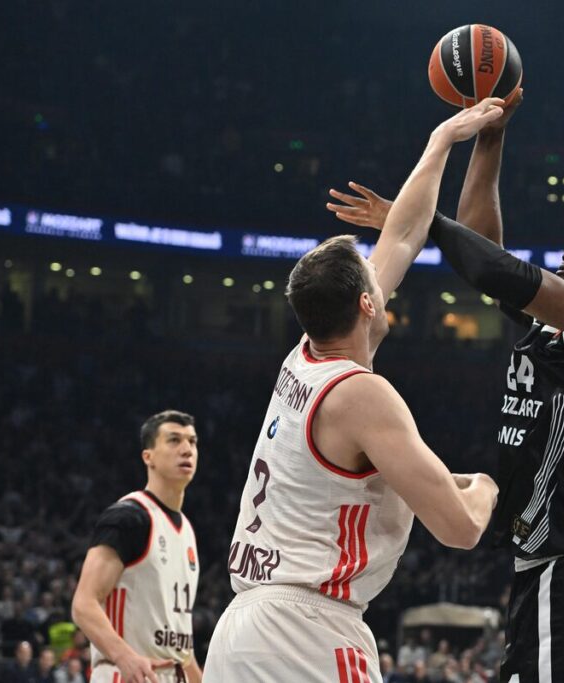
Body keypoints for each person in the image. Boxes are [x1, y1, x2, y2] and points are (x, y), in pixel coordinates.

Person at [327, 94, 564, 682]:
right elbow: (487, 251)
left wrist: (415, 215)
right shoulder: (554, 324)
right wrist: (492, 135)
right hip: (546, 567)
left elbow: (494, 269)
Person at [201, 99, 505, 683]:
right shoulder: (363, 394)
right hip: (307, 633)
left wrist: (443, 139)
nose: (380, 271)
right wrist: (486, 485)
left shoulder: (308, 353)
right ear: (367, 305)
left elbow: (405, 235)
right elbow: (461, 529)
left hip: (240, 631)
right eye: (373, 280)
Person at [71, 410, 202, 683]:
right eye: (174, 440)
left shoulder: (188, 530)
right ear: (148, 456)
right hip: (126, 674)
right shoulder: (128, 517)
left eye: (192, 441)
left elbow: (180, 638)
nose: (186, 449)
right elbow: (84, 603)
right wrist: (124, 656)